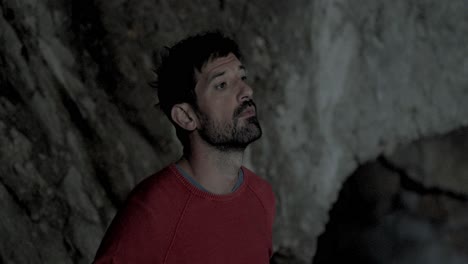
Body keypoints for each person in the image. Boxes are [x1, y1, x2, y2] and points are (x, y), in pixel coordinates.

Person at [93, 30, 276, 264]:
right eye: (222, 85)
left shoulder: (262, 197)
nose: (246, 91)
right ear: (186, 116)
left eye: (242, 77)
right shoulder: (151, 211)